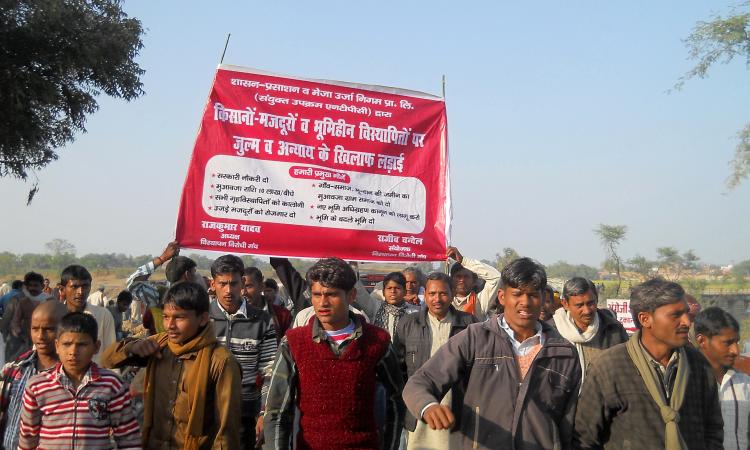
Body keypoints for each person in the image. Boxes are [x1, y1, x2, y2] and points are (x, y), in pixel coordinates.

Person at [402, 257, 580, 450]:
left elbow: (569, 424)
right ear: (502, 297)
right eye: (518, 294)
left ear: (544, 298)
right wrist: (428, 406)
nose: (525, 302)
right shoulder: (475, 338)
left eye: (533, 294)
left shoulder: (564, 354)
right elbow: (419, 383)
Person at [263, 257, 405, 450]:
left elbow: (396, 400)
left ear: (351, 295)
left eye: (331, 294)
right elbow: (277, 412)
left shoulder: (377, 341)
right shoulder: (294, 343)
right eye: (317, 294)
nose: (323, 302)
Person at [574, 278, 723, 450]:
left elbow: (713, 429)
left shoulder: (698, 364)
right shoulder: (609, 367)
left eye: (687, 314)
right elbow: (585, 438)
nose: (687, 322)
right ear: (645, 319)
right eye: (676, 315)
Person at [103, 281, 242, 449]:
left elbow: (226, 431)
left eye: (179, 317)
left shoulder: (221, 361)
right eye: (166, 317)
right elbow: (108, 360)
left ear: (203, 318)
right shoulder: (159, 345)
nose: (170, 325)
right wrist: (132, 347)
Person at [18, 312, 141, 449]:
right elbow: (27, 440)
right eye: (67, 344)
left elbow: (129, 439)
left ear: (96, 347)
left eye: (82, 345)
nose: (73, 352)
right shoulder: (37, 386)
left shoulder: (112, 385)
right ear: (57, 346)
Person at [393, 272, 476, 450]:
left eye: (443, 293)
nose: (437, 299)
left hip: (455, 412)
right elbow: (398, 371)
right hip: (419, 412)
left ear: (452, 294)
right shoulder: (408, 324)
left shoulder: (469, 325)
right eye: (432, 294)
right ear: (426, 295)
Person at [210, 256, 277, 448]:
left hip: (246, 412)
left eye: (234, 283)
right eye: (223, 283)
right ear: (213, 284)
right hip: (207, 411)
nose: (228, 290)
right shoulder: (202, 319)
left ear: (242, 282)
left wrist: (264, 413)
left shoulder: (263, 321)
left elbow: (269, 372)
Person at [0, 300, 67, 450]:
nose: (40, 336)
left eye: (49, 329)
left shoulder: (71, 376)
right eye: (35, 328)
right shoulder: (18, 368)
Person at [550, 277, 628, 386]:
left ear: (596, 299)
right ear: (565, 304)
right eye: (579, 305)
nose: (587, 311)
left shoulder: (614, 330)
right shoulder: (551, 333)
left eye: (591, 303)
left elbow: (625, 371)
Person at [695, 307, 750, 450]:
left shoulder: (745, 383)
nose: (735, 351)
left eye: (737, 342)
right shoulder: (687, 385)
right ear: (702, 341)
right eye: (727, 343)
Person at [59, 265, 116, 366]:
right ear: (62, 289)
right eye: (74, 287)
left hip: (96, 378)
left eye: (85, 286)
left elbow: (110, 354)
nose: (80, 292)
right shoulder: (53, 316)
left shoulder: (103, 315)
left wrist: (113, 380)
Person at [126, 240, 182, 324]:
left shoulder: (188, 289)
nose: (173, 261)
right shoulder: (159, 291)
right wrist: (162, 258)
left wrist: (163, 258)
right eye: (170, 258)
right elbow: (132, 283)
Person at [447, 246, 501, 320]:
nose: (462, 280)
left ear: (474, 281)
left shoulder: (480, 301)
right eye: (458, 276)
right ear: (451, 280)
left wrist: (463, 261)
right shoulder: (445, 300)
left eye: (466, 277)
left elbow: (496, 277)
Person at [8, 271, 51, 361]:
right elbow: (15, 322)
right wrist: (20, 334)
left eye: (35, 285)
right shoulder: (23, 302)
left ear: (42, 286)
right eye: (29, 286)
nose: (32, 288)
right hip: (26, 341)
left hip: (46, 341)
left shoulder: (50, 301)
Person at [243, 267, 291, 342]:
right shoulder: (233, 315)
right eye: (240, 287)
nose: (243, 292)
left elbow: (287, 346)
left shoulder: (282, 315)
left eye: (248, 286)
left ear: (261, 287)